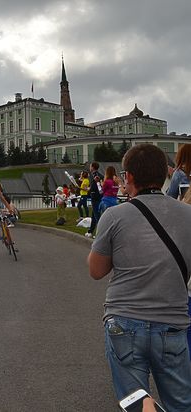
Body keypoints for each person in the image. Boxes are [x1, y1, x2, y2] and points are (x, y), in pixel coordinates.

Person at [88, 144, 191, 411]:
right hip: (172, 323)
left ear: (129, 176)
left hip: (124, 320)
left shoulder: (114, 216)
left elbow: (96, 271)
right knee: (181, 403)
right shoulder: (188, 215)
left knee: (136, 401)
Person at [86, 162, 104, 237]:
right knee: (94, 215)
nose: (90, 168)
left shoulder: (95, 176)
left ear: (93, 167)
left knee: (97, 215)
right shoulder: (100, 175)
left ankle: (100, 233)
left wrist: (89, 189)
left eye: (90, 166)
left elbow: (96, 186)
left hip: (95, 196)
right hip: (98, 196)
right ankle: (90, 231)